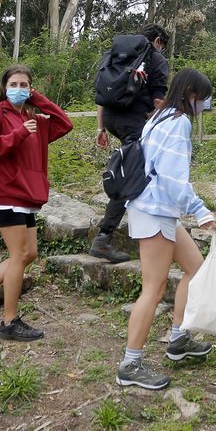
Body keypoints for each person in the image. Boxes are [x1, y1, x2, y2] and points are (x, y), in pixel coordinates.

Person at [0, 65, 73, 341]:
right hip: (5, 193)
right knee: (19, 255)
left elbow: (65, 124)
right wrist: (18, 134)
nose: (19, 89)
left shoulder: (36, 119)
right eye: (14, 84)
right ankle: (9, 322)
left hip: (27, 194)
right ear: (4, 88)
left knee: (28, 254)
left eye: (25, 85)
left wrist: (38, 100)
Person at [116, 69, 216, 390]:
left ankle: (178, 338)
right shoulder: (179, 122)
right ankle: (130, 364)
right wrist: (200, 211)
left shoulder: (159, 117)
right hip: (155, 211)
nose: (206, 103)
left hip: (157, 209)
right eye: (203, 96)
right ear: (191, 93)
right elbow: (174, 179)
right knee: (153, 289)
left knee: (195, 269)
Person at [89, 24, 170, 263]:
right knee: (131, 174)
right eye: (162, 46)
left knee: (139, 169)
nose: (161, 50)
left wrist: (100, 127)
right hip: (133, 121)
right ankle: (104, 237)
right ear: (157, 41)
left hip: (112, 119)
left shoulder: (115, 54)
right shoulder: (154, 58)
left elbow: (102, 93)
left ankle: (141, 221)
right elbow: (158, 101)